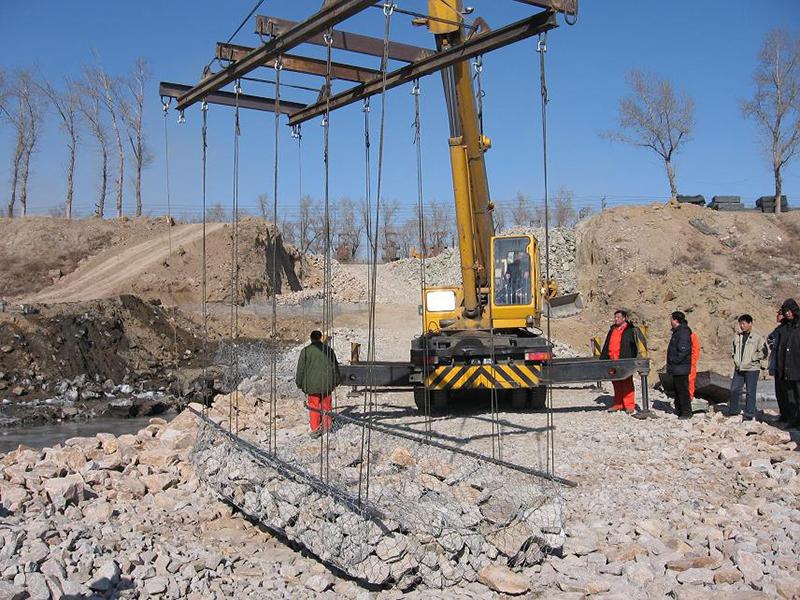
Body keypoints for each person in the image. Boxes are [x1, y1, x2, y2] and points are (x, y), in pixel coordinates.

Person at [295, 330, 341, 438]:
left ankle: (315, 428)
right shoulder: (329, 350)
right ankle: (327, 426)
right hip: (327, 384)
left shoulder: (305, 351)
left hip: (312, 385)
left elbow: (300, 369)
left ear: (311, 338)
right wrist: (336, 381)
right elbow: (335, 367)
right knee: (326, 404)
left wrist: (299, 383)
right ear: (320, 338)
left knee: (314, 406)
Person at [600, 309, 639, 413]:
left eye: (618, 317)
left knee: (627, 382)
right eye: (615, 317)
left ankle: (629, 405)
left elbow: (636, 346)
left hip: (625, 360)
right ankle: (618, 404)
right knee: (616, 383)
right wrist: (603, 359)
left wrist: (634, 359)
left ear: (624, 318)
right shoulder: (613, 329)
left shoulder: (630, 330)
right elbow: (607, 344)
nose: (616, 319)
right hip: (612, 360)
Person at [728, 314, 767, 420]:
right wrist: (735, 358)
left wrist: (753, 358)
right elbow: (733, 350)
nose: (741, 326)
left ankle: (749, 413)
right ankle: (733, 411)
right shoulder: (737, 337)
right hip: (739, 368)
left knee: (750, 392)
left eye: (743, 323)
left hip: (752, 369)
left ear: (750, 324)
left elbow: (764, 352)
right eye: (740, 323)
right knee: (734, 389)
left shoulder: (757, 337)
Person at [775, 299, 800, 428]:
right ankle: (793, 420)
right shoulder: (783, 328)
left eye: (790, 311)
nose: (788, 313)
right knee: (790, 398)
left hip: (797, 367)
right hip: (786, 369)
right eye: (786, 311)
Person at [667, 311, 693, 419]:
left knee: (682, 390)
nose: (670, 322)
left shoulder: (682, 332)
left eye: (671, 319)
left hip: (680, 367)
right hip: (678, 367)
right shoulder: (678, 331)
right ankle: (680, 410)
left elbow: (684, 350)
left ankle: (686, 412)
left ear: (675, 320)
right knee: (678, 389)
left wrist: (674, 360)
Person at [767, 308, 789, 423]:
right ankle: (783, 414)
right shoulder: (778, 330)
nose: (777, 316)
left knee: (787, 393)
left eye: (780, 314)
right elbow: (770, 339)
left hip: (787, 366)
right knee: (779, 392)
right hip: (777, 365)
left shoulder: (788, 329)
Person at [689, 330, 701, 400]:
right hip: (682, 363)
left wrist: (692, 362)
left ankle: (690, 397)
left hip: (689, 362)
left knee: (690, 379)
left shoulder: (692, 335)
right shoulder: (677, 334)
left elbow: (696, 350)